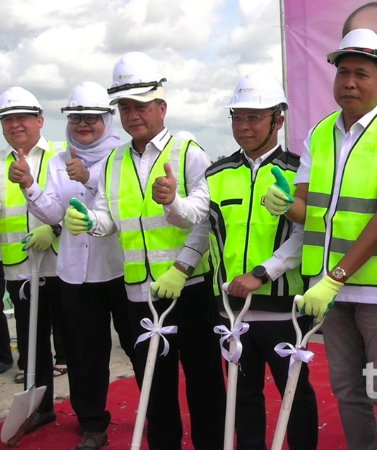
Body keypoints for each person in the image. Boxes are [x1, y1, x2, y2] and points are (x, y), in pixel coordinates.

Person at [266, 28, 377, 449]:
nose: (349, 82)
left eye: (361, 74)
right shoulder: (321, 132)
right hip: (328, 290)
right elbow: (305, 208)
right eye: (343, 73)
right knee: (348, 391)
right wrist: (283, 204)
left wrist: (334, 278)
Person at [64, 52, 226, 450]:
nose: (133, 115)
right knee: (155, 384)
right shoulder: (114, 161)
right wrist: (88, 220)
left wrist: (175, 217)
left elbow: (204, 218)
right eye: (125, 107)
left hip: (190, 289)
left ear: (161, 107)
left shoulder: (188, 151)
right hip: (139, 293)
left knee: (204, 380)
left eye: (141, 106)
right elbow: (109, 219)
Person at [17, 82, 135, 449]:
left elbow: (123, 204)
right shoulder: (57, 161)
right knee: (84, 355)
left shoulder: (123, 157)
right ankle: (92, 424)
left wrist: (88, 178)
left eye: (91, 118)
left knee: (139, 346)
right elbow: (53, 213)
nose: (83, 125)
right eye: (76, 118)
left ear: (106, 119)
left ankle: (158, 410)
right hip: (74, 274)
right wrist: (30, 187)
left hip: (120, 270)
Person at [204, 72, 318, 450]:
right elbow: (202, 231)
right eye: (237, 117)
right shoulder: (216, 173)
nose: (244, 126)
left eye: (254, 117)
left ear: (278, 119)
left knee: (295, 396)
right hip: (231, 310)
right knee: (242, 396)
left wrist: (262, 274)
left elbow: (309, 234)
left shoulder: (301, 171)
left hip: (285, 310)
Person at [1, 86, 66, 433]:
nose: (15, 124)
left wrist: (55, 228)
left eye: (22, 117)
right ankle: (41, 410)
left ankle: (90, 415)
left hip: (65, 268)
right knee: (33, 347)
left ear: (40, 120)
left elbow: (82, 204)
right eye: (7, 119)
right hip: (21, 272)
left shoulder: (62, 154)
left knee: (77, 343)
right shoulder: (0, 165)